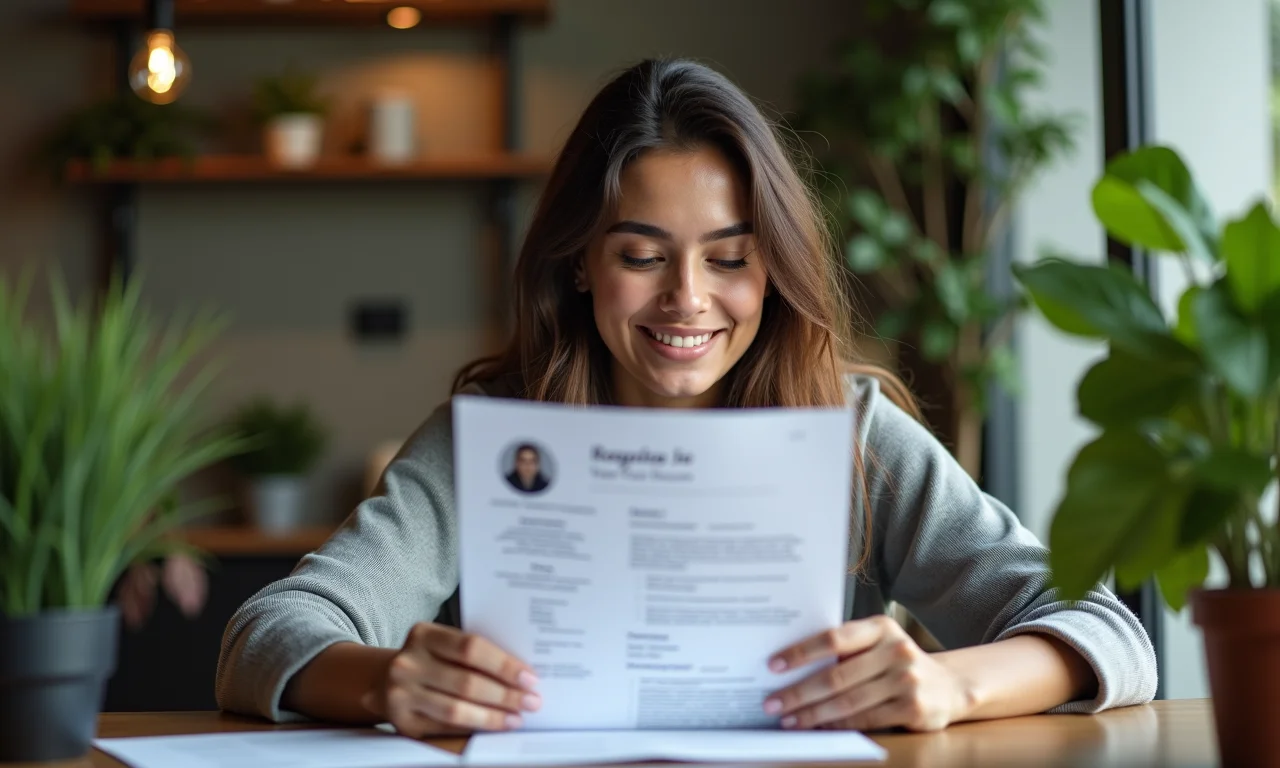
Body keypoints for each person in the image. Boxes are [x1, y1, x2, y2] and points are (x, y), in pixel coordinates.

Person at [215, 58, 1156, 736]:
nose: (688, 300)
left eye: (731, 259)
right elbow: (266, 634)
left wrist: (949, 686)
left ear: (773, 270)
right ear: (581, 264)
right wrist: (387, 683)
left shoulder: (851, 430)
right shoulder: (494, 438)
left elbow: (1107, 631)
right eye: (641, 256)